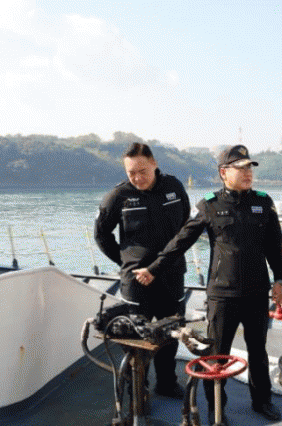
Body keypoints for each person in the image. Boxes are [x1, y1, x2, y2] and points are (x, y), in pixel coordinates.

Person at [133, 145, 282, 423]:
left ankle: (262, 400)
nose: (248, 173)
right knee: (217, 354)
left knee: (258, 351)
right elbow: (181, 241)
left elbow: (274, 247)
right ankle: (217, 407)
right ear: (223, 173)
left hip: (256, 292)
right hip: (222, 294)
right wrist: (154, 269)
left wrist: (279, 279)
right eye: (241, 168)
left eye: (250, 168)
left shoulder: (263, 203)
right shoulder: (209, 204)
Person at [94, 142, 190, 399]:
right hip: (137, 282)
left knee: (170, 332)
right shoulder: (118, 196)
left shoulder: (174, 187)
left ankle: (166, 383)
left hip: (171, 276)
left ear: (154, 164)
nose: (137, 178)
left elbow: (185, 226)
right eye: (131, 173)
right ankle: (138, 389)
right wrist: (126, 263)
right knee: (135, 338)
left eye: (142, 171)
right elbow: (101, 235)